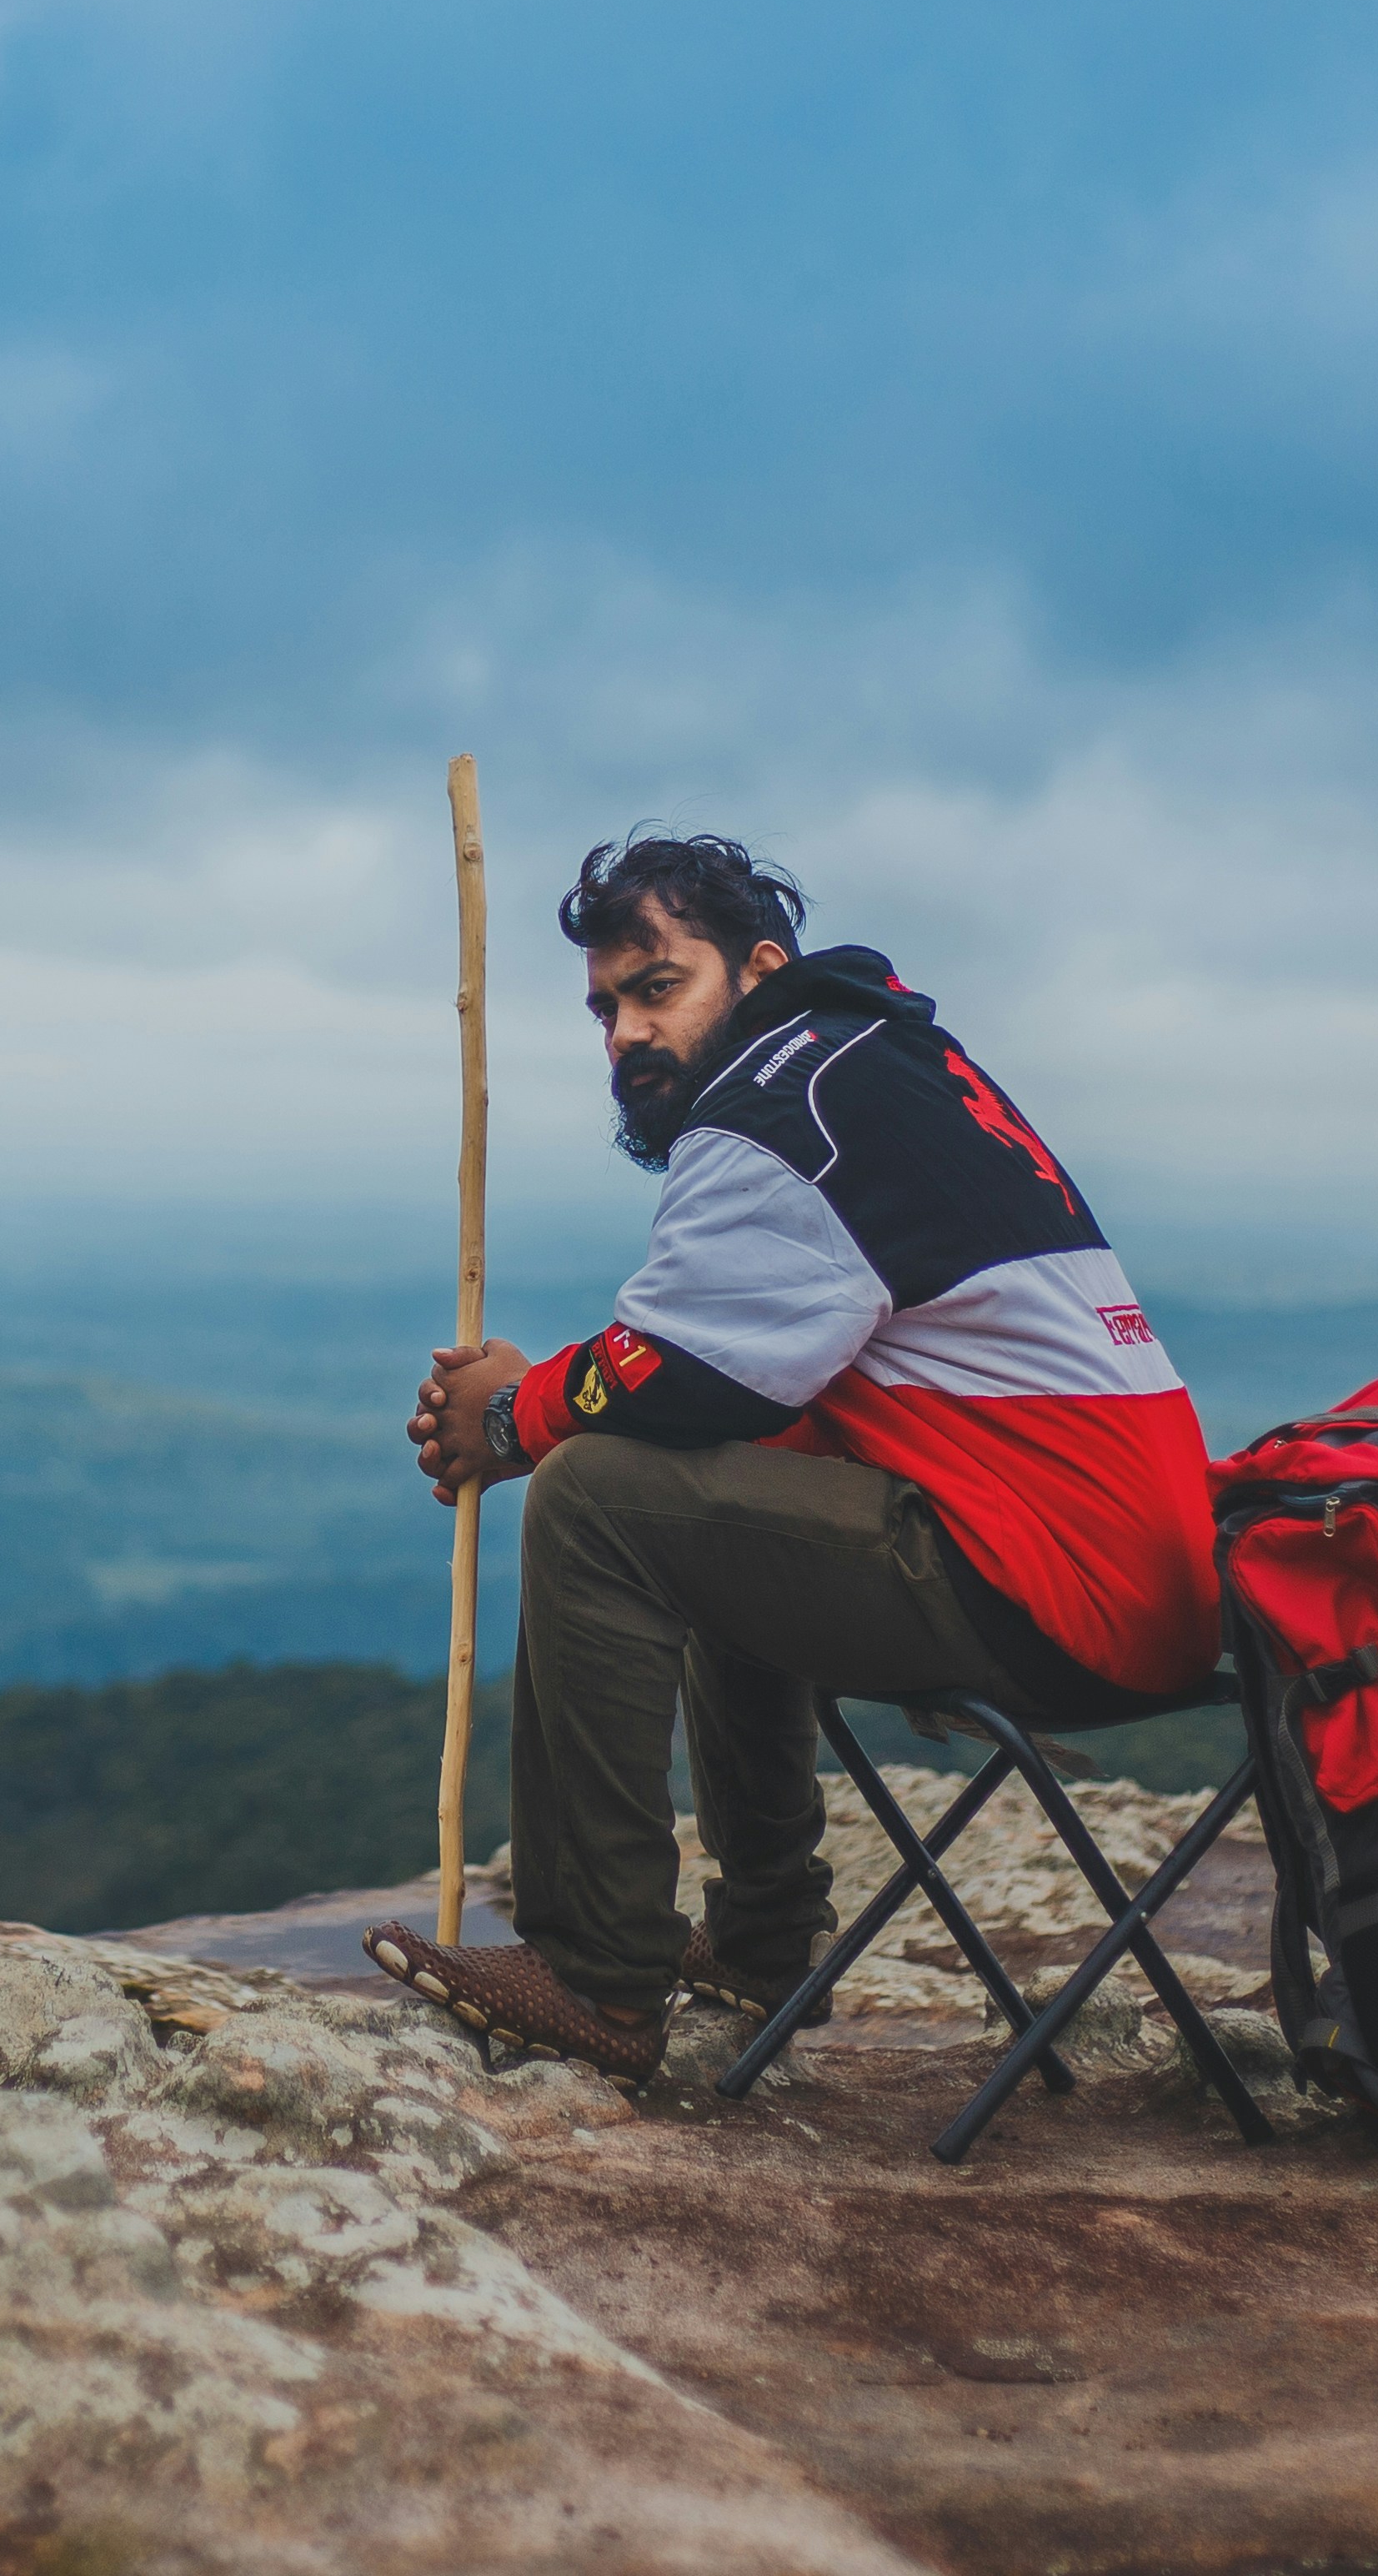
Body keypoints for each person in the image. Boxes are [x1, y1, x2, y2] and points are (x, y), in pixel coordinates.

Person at [364, 832, 1217, 2081]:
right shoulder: (887, 1063)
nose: (624, 1037)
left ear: (761, 969)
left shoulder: (782, 1103)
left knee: (600, 1499)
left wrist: (509, 1419)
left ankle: (599, 1976)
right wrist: (541, 1398)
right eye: (605, 1009)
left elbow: (672, 1368)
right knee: (713, 1481)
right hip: (1139, 1578)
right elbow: (737, 1385)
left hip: (1051, 1584)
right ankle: (766, 1947)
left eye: (660, 988)